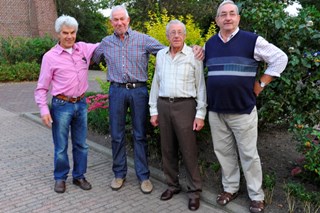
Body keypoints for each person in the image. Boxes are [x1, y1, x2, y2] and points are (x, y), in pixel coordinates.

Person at [92, 5, 204, 194]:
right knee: (117, 135)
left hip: (139, 91)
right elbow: (92, 57)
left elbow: (170, 51)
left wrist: (195, 49)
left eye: (122, 19)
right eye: (115, 20)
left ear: (128, 21)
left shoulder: (143, 40)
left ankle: (143, 176)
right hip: (117, 91)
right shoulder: (105, 43)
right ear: (111, 22)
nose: (119, 23)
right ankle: (119, 174)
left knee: (139, 134)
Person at [205, 1, 288, 213]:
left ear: (238, 18)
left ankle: (256, 196)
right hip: (216, 110)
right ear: (217, 20)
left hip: (243, 110)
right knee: (224, 153)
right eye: (223, 14)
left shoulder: (252, 40)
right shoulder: (210, 44)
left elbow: (280, 58)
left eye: (232, 13)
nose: (227, 18)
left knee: (249, 155)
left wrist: (260, 84)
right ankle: (230, 188)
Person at [34, 15, 99, 193]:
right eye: (65, 33)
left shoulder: (84, 49)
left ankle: (79, 176)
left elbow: (105, 45)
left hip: (81, 104)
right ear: (58, 34)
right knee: (61, 146)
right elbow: (41, 88)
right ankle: (60, 178)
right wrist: (43, 109)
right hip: (61, 106)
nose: (69, 36)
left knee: (81, 145)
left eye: (72, 32)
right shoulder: (50, 57)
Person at [149, 20, 207, 211]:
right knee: (167, 149)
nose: (176, 35)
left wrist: (200, 114)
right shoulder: (161, 55)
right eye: (172, 32)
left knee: (188, 150)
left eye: (179, 32)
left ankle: (194, 191)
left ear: (185, 35)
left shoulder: (194, 55)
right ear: (167, 36)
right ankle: (172, 185)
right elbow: (156, 84)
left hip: (185, 106)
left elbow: (200, 86)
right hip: (164, 105)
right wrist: (153, 110)